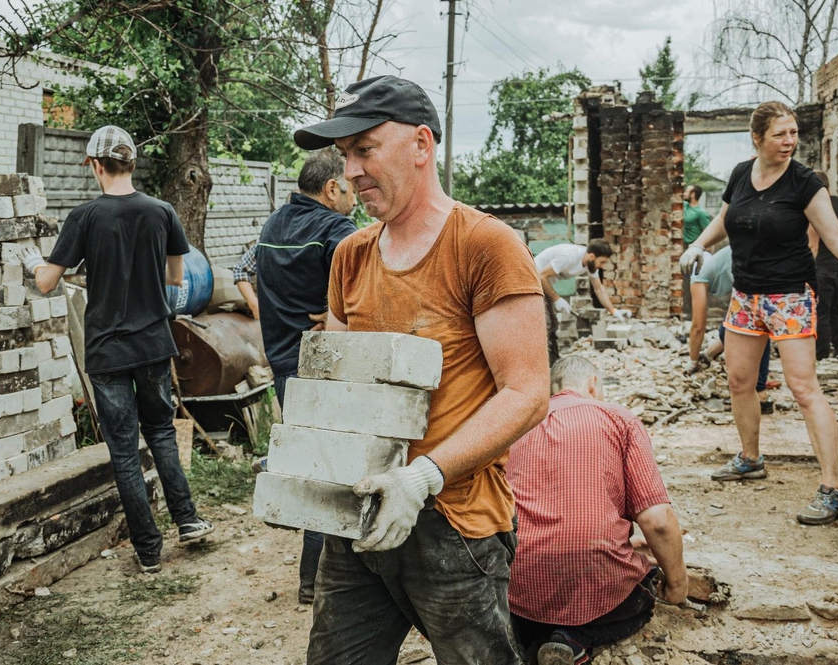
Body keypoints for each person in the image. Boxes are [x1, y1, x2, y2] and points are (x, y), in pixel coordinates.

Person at [294, 75, 549, 665]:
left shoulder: (485, 245)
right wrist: (305, 459)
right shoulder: (351, 254)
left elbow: (528, 392)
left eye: (365, 149)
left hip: (453, 521)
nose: (350, 169)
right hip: (360, 513)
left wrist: (421, 478)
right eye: (345, 154)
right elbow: (342, 387)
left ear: (421, 144)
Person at [681, 102, 838, 525]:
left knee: (803, 388)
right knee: (739, 381)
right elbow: (725, 219)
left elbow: (836, 237)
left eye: (793, 133)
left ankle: (833, 489)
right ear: (757, 138)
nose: (789, 142)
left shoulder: (803, 183)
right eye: (780, 135)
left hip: (789, 297)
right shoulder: (740, 175)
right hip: (746, 296)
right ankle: (750, 458)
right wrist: (699, 245)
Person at [20, 125, 213, 574]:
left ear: (94, 165)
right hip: (152, 343)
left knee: (125, 451)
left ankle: (148, 552)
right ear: (131, 163)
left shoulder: (85, 217)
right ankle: (188, 520)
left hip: (108, 351)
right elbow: (174, 279)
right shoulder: (163, 211)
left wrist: (34, 262)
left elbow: (47, 281)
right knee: (162, 433)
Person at [232, 147, 357, 604]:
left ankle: (313, 579)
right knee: (337, 470)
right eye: (349, 188)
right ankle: (323, 580)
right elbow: (367, 293)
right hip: (330, 366)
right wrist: (336, 317)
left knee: (315, 464)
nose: (355, 196)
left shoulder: (273, 225)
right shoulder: (337, 229)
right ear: (331, 189)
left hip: (286, 365)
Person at [506, 356, 687, 665]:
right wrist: (677, 584)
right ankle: (575, 639)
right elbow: (656, 522)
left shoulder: (515, 422)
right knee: (642, 598)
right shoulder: (619, 418)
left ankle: (538, 638)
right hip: (595, 585)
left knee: (532, 614)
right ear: (592, 385)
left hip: (516, 590)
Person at [686, 247, 774, 412]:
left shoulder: (698, 274)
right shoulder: (718, 264)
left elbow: (698, 326)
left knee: (757, 329)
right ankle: (710, 354)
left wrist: (692, 361)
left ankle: (760, 393)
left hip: (763, 272)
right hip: (764, 267)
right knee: (735, 327)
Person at [537, 241, 628, 364]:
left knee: (553, 323)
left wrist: (613, 310)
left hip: (542, 284)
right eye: (602, 262)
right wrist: (557, 299)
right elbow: (541, 276)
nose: (602, 266)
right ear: (591, 256)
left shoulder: (590, 264)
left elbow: (598, 288)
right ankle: (542, 364)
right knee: (545, 323)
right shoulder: (569, 256)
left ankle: (553, 361)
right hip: (532, 280)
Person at [808, 172, 838, 361]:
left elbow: (813, 244)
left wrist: (809, 271)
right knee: (836, 308)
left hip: (823, 267)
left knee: (822, 310)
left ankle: (821, 353)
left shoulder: (815, 206)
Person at [682, 184, 713, 317]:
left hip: (695, 251)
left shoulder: (701, 213)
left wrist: (707, 255)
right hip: (684, 249)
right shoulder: (684, 206)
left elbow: (710, 234)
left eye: (687, 191)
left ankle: (695, 315)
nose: (684, 193)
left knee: (695, 282)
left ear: (693, 194)